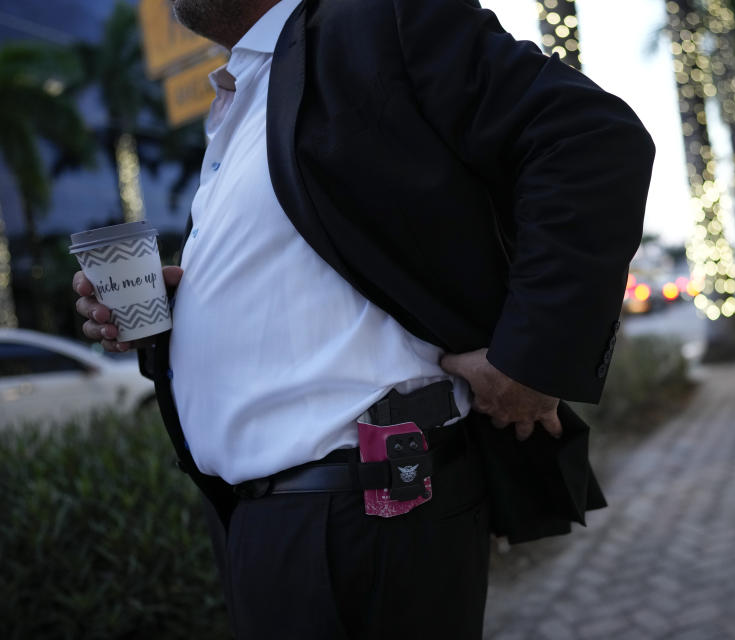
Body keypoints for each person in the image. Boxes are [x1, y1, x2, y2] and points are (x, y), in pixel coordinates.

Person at [72, 0, 654, 637]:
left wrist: (531, 360)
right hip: (260, 520)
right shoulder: (243, 99)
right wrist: (194, 304)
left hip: (360, 516)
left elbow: (591, 139)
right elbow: (329, 267)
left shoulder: (378, 19)